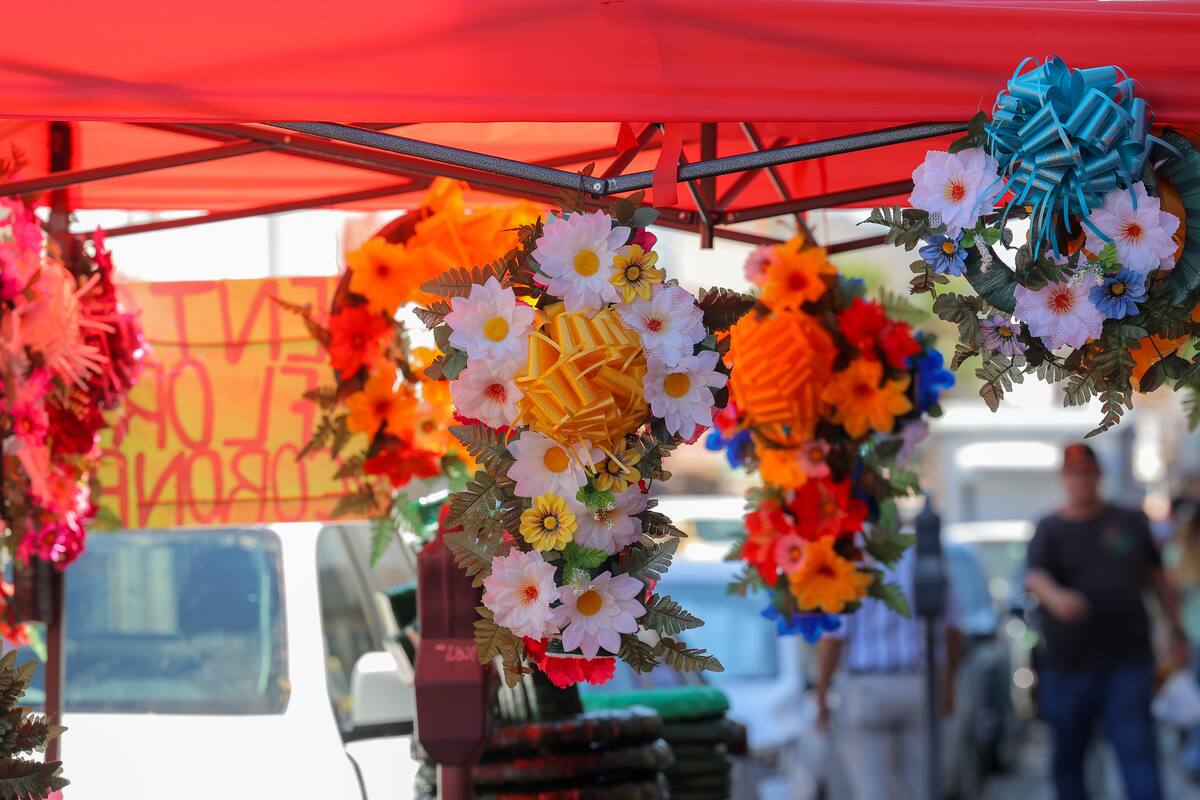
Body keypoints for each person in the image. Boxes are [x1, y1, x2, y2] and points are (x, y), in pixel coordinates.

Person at [1026, 442, 1187, 800]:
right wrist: (1058, 598)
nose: (1081, 482)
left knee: (1137, 753)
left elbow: (1158, 578)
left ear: (1098, 476)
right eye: (1074, 475)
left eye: (1087, 474)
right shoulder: (1049, 528)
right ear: (1063, 480)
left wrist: (1176, 632)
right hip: (1069, 666)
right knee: (1069, 759)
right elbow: (1035, 576)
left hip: (1126, 661)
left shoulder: (1127, 521)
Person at [814, 546, 962, 800]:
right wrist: (947, 686)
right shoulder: (926, 560)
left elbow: (834, 638)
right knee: (920, 787)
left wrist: (822, 693)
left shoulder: (853, 562)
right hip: (917, 683)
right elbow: (954, 628)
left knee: (873, 790)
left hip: (867, 687)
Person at [1167, 501, 1200, 780]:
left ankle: (1195, 755)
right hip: (1193, 637)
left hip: (1193, 637)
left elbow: (1172, 602)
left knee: (1195, 704)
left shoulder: (1178, 555)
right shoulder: (1179, 555)